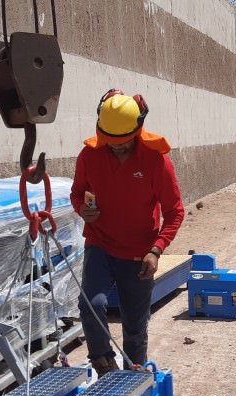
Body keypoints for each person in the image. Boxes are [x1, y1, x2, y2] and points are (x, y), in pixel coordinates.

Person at [70, 89, 185, 377]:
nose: (117, 148)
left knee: (135, 325)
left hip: (139, 253)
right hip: (100, 244)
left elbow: (174, 211)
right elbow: (77, 193)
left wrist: (156, 249)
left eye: (123, 144)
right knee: (91, 305)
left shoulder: (156, 161)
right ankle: (103, 362)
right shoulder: (89, 156)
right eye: (111, 143)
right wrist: (83, 210)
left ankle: (133, 378)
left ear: (138, 130)